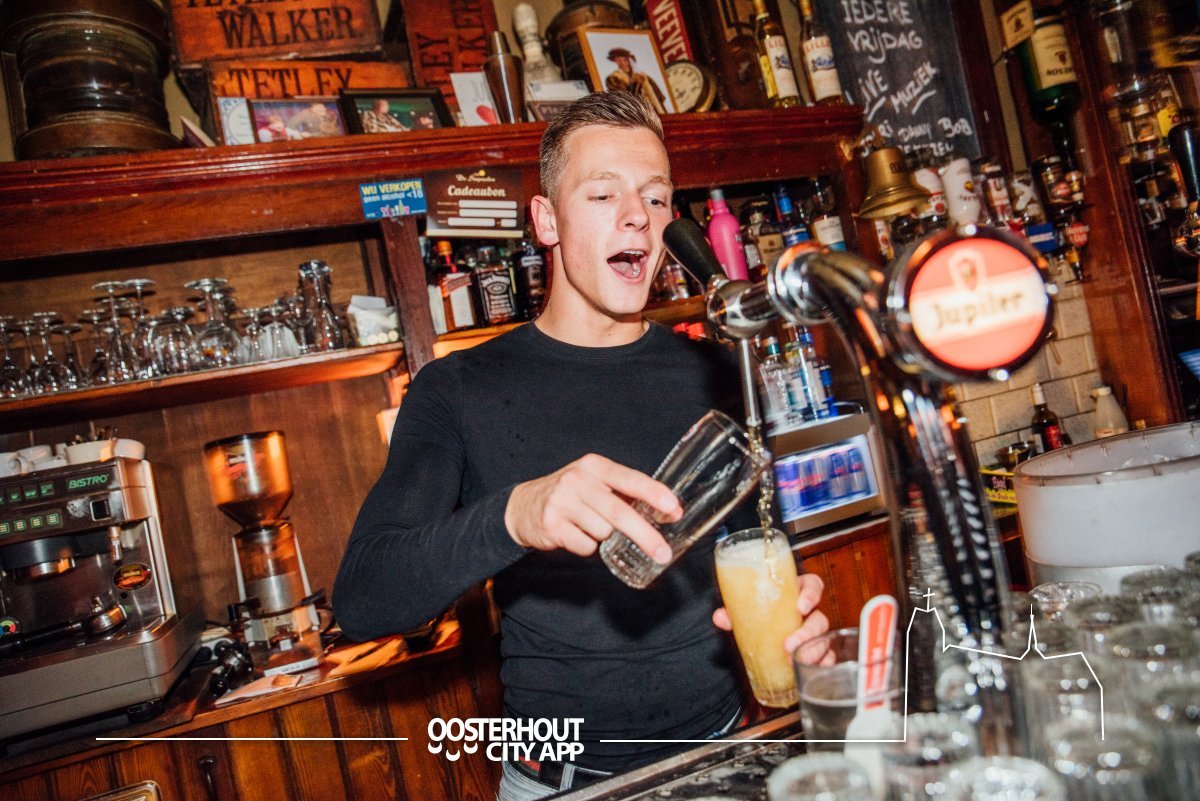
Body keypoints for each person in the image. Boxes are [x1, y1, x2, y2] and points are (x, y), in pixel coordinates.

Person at [333, 91, 828, 801]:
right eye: (602, 194)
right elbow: (364, 599)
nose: (638, 216)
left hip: (723, 758)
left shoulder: (718, 370)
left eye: (655, 198)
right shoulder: (458, 388)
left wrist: (796, 620)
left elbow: (762, 548)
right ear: (547, 221)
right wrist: (515, 514)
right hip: (560, 784)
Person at [604, 47, 668, 115]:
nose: (623, 63)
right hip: (636, 114)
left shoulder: (644, 77)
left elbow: (659, 98)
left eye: (625, 60)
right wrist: (635, 84)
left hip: (654, 111)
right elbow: (623, 99)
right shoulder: (614, 78)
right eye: (619, 60)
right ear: (616, 62)